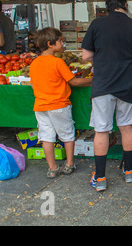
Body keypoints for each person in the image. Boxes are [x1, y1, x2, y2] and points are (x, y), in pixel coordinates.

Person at [82, 0, 132, 192]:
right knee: (127, 128)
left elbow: (86, 55)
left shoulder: (96, 25)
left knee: (102, 130)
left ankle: (100, 178)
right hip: (129, 85)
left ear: (107, 7)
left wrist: (102, 60)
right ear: (125, 5)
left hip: (103, 84)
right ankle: (129, 172)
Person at [29, 27, 92, 178]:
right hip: (58, 105)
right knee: (67, 135)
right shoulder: (57, 62)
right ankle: (69, 164)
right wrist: (95, 79)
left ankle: (52, 168)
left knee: (46, 137)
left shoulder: (34, 63)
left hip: (40, 106)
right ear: (50, 44)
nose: (63, 44)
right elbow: (74, 82)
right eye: (61, 41)